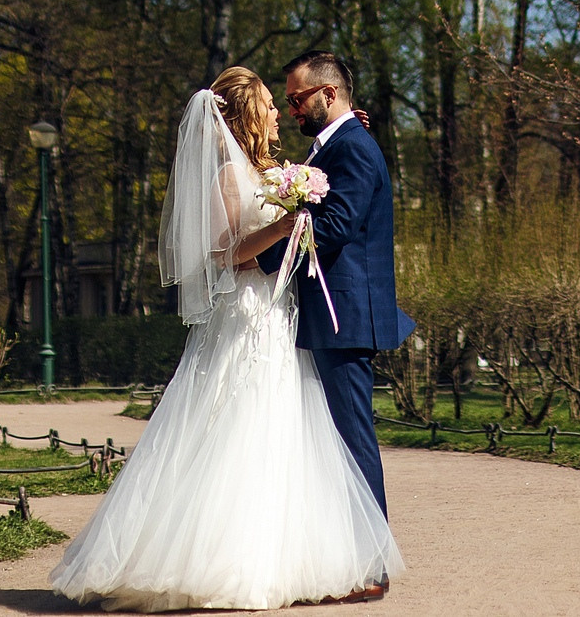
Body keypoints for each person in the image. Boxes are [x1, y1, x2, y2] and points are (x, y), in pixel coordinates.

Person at [51, 63, 404, 609]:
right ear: (247, 117)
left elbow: (329, 217)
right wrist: (290, 220)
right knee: (262, 431)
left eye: (292, 100)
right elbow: (226, 250)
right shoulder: (238, 173)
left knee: (321, 438)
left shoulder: (321, 154)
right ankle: (264, 559)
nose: (282, 111)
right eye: (272, 104)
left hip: (308, 315)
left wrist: (336, 148)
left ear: (326, 94)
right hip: (257, 313)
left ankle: (363, 562)